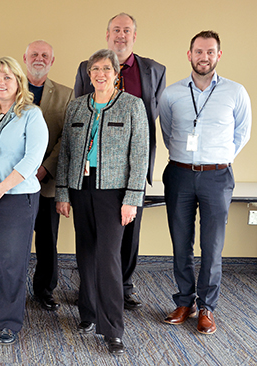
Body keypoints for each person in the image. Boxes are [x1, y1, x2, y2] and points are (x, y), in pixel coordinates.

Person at [56, 49, 149, 355]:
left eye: (106, 68)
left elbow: (140, 156)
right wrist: (63, 193)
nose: (99, 74)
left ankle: (112, 329)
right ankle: (88, 314)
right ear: (88, 74)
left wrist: (132, 198)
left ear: (116, 73)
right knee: (85, 253)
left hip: (115, 193)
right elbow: (66, 154)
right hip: (81, 187)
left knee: (108, 258)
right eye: (94, 69)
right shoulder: (77, 108)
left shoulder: (132, 106)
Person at [159, 31, 251, 335]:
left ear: (219, 56)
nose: (204, 57)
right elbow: (167, 131)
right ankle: (185, 301)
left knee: (212, 246)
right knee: (180, 242)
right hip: (180, 173)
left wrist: (220, 158)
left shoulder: (236, 92)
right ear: (189, 55)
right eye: (199, 51)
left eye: (210, 52)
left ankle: (207, 307)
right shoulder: (171, 94)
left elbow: (242, 134)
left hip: (217, 176)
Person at [74, 13, 166, 310]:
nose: (121, 35)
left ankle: (123, 286)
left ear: (134, 36)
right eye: (116, 30)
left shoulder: (154, 70)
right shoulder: (87, 68)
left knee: (128, 230)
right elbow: (80, 117)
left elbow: (153, 119)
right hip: (95, 169)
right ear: (107, 34)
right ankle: (90, 290)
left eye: (127, 30)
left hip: (132, 166)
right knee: (93, 237)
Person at [0, 56, 48, 346]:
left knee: (12, 262)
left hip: (16, 197)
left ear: (18, 82)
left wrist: (1, 187)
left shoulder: (31, 115)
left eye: (7, 77)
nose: (1, 83)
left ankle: (9, 323)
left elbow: (32, 159)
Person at [22, 40, 73, 311]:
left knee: (47, 239)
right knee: (14, 241)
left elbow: (67, 138)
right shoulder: (11, 89)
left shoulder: (67, 95)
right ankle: (12, 288)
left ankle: (44, 290)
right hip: (16, 183)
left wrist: (45, 168)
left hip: (48, 182)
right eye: (34, 54)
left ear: (52, 61)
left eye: (45, 55)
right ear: (25, 58)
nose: (39, 58)